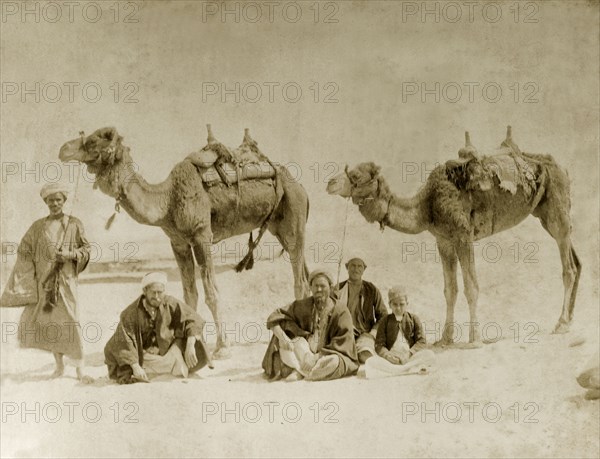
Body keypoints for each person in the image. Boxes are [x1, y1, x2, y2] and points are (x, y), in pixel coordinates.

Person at [0, 183, 92, 382]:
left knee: (71, 321)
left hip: (67, 282)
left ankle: (79, 370)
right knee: (52, 324)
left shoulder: (74, 223)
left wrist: (68, 254)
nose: (55, 203)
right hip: (45, 284)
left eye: (58, 200)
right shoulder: (37, 227)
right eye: (51, 200)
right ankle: (59, 366)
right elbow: (24, 250)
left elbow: (86, 250)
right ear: (46, 202)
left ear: (64, 201)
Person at [104, 272, 212, 384]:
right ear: (145, 291)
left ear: (164, 291)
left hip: (167, 354)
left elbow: (193, 318)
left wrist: (190, 346)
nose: (156, 297)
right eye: (153, 292)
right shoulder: (131, 313)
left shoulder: (170, 303)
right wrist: (135, 366)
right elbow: (123, 339)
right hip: (144, 358)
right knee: (118, 354)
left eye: (159, 292)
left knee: (195, 341)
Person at [262, 270, 359, 381]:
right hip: (305, 352)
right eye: (315, 286)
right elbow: (275, 316)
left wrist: (316, 357)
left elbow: (343, 342)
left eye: (323, 286)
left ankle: (301, 372)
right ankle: (306, 371)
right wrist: (283, 339)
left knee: (334, 362)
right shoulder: (303, 305)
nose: (319, 290)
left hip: (328, 355)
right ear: (310, 288)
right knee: (293, 341)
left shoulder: (341, 310)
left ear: (330, 288)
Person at [365, 285, 435, 379]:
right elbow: (379, 345)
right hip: (391, 360)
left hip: (409, 358)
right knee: (370, 362)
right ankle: (409, 370)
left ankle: (397, 372)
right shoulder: (384, 321)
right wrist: (388, 356)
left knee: (430, 355)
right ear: (389, 305)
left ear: (407, 303)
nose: (398, 308)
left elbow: (421, 341)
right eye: (395, 304)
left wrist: (409, 353)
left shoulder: (414, 319)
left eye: (401, 304)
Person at [336, 256, 388, 363]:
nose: (356, 269)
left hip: (364, 333)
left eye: (360, 266)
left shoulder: (371, 289)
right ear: (347, 267)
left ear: (364, 269)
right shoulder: (338, 289)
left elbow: (383, 315)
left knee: (365, 356)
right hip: (342, 333)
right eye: (353, 265)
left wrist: (373, 332)